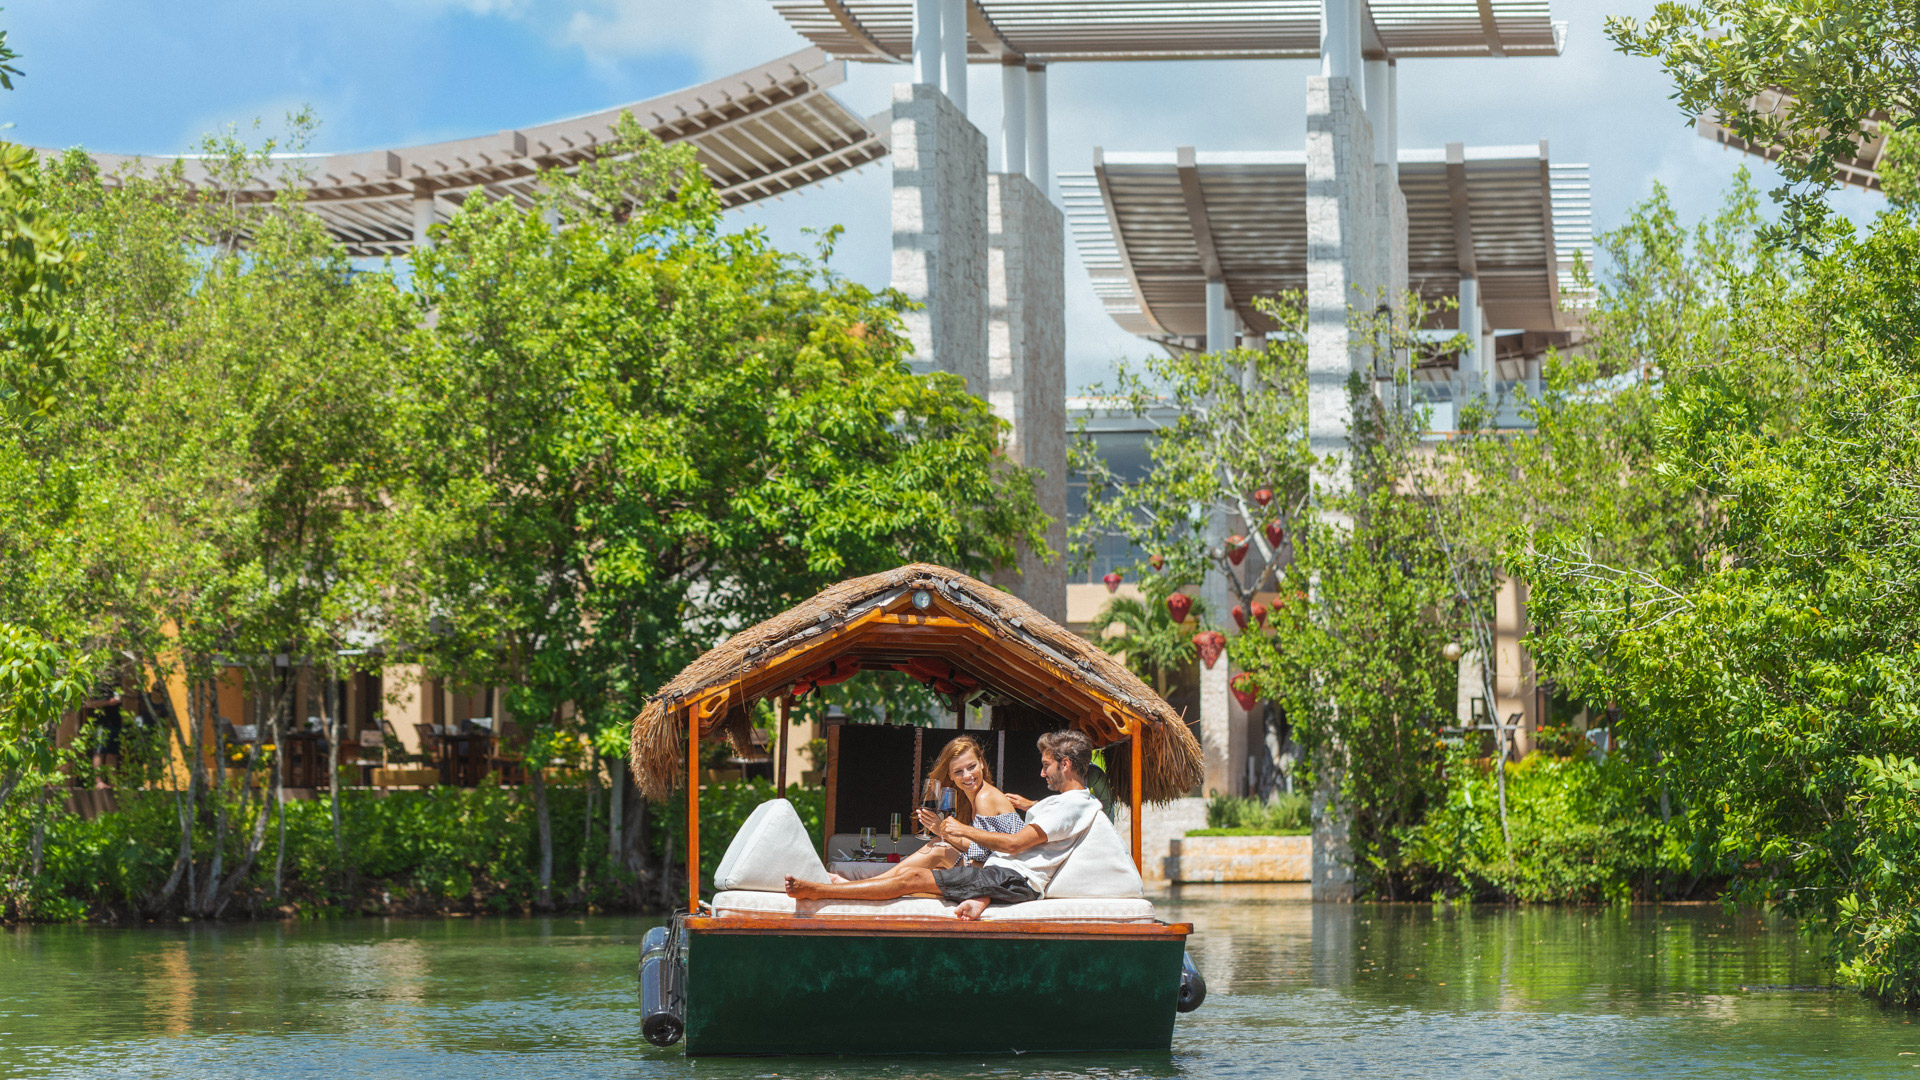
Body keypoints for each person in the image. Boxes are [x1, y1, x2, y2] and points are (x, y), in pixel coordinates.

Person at [787, 729, 1103, 920]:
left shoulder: (1067, 804)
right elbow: (1035, 831)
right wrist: (1032, 806)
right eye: (958, 772)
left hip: (1011, 878)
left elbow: (1011, 843)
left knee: (921, 868)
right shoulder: (1066, 803)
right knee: (928, 860)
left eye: (1046, 765)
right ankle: (850, 888)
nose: (1041, 773)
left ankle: (822, 892)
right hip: (1005, 874)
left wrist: (954, 830)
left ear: (1065, 764)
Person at [830, 735, 1020, 884]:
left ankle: (866, 887)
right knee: (930, 861)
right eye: (958, 772)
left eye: (971, 767)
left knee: (939, 850)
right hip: (996, 868)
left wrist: (941, 832)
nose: (967, 775)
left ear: (982, 763)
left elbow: (983, 853)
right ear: (951, 776)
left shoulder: (986, 797)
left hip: (1006, 874)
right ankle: (871, 886)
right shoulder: (972, 798)